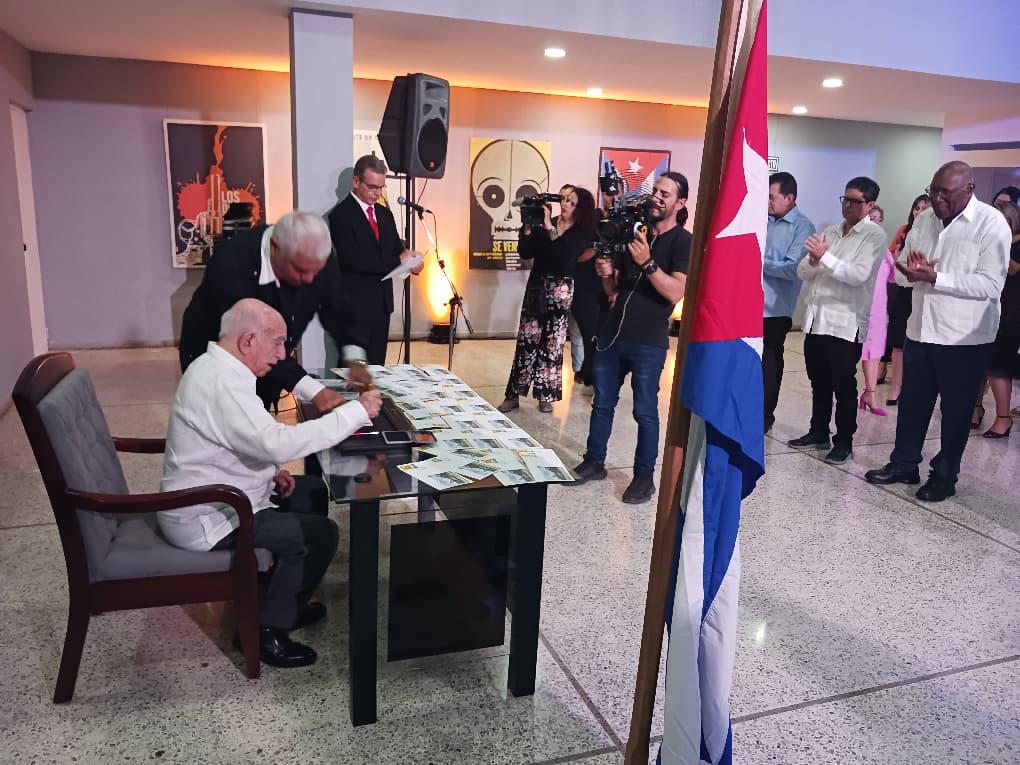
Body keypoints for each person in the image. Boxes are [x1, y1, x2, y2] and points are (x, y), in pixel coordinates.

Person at [161, 298, 383, 667]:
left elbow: (237, 439)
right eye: (278, 343)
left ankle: (283, 599)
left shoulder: (220, 368)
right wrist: (357, 412)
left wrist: (268, 471)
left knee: (312, 491)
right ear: (248, 340)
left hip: (219, 492)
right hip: (208, 516)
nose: (282, 355)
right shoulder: (221, 383)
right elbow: (275, 442)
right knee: (319, 535)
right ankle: (266, 630)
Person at [865, 161, 1011, 501]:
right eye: (933, 191)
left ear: (969, 189)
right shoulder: (925, 219)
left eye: (946, 193)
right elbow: (904, 272)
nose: (937, 199)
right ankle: (904, 464)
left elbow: (991, 284)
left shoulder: (990, 223)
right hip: (920, 329)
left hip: (964, 338)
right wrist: (909, 272)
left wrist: (937, 277)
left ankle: (944, 477)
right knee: (912, 404)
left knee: (956, 411)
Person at [571, 172, 691, 504]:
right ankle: (594, 461)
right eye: (656, 191)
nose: (657, 198)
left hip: (648, 341)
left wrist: (648, 263)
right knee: (602, 403)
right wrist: (607, 275)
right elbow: (614, 292)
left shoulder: (683, 241)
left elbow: (675, 291)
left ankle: (643, 477)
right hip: (612, 334)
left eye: (666, 194)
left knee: (645, 412)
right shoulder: (636, 233)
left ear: (680, 203)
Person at [180, 210, 372, 413]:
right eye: (300, 270)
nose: (309, 280)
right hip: (220, 363)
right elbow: (255, 345)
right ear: (274, 247)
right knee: (228, 418)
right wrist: (314, 390)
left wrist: (356, 360)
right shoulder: (231, 264)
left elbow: (338, 310)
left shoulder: (315, 257)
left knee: (260, 412)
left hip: (267, 363)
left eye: (316, 272)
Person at [788, 177, 886, 464]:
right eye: (845, 199)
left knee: (843, 385)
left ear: (870, 204)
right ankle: (818, 431)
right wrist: (814, 260)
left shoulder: (874, 236)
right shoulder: (830, 231)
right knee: (818, 381)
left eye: (855, 201)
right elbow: (803, 272)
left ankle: (844, 441)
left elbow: (858, 275)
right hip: (817, 319)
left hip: (845, 323)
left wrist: (825, 258)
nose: (848, 205)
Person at [499, 186, 597, 413]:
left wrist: (549, 228)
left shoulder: (581, 233)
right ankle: (513, 394)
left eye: (571, 202)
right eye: (564, 199)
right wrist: (527, 227)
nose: (565, 204)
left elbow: (564, 257)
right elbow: (525, 252)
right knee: (527, 341)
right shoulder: (547, 223)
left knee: (552, 344)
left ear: (580, 209)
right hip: (537, 287)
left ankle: (546, 396)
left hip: (560, 291)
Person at [327, 154, 424, 366]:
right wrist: (398, 259)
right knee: (354, 371)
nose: (377, 193)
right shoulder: (341, 215)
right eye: (372, 187)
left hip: (382, 306)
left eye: (381, 187)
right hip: (355, 307)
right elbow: (353, 261)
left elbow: (396, 249)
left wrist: (413, 262)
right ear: (356, 182)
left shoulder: (384, 214)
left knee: (377, 367)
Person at [763, 171, 814, 434]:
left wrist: (757, 261)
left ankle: (764, 414)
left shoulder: (803, 227)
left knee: (769, 362)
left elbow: (793, 268)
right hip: (749, 304)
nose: (767, 202)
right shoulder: (762, 220)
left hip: (776, 309)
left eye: (772, 197)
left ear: (789, 198)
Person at [974, 200, 1020, 438]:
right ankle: (976, 407)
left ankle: (1003, 417)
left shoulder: (1014, 243)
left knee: (998, 363)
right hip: (986, 305)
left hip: (1012, 310)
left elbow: (1013, 269)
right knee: (977, 359)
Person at [882, 194, 931, 403]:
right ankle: (896, 388)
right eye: (916, 208)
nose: (920, 212)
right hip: (905, 292)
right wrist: (906, 271)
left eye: (925, 208)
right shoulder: (909, 231)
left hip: (927, 293)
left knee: (921, 345)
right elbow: (898, 267)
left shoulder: (941, 234)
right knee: (898, 343)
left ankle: (915, 388)